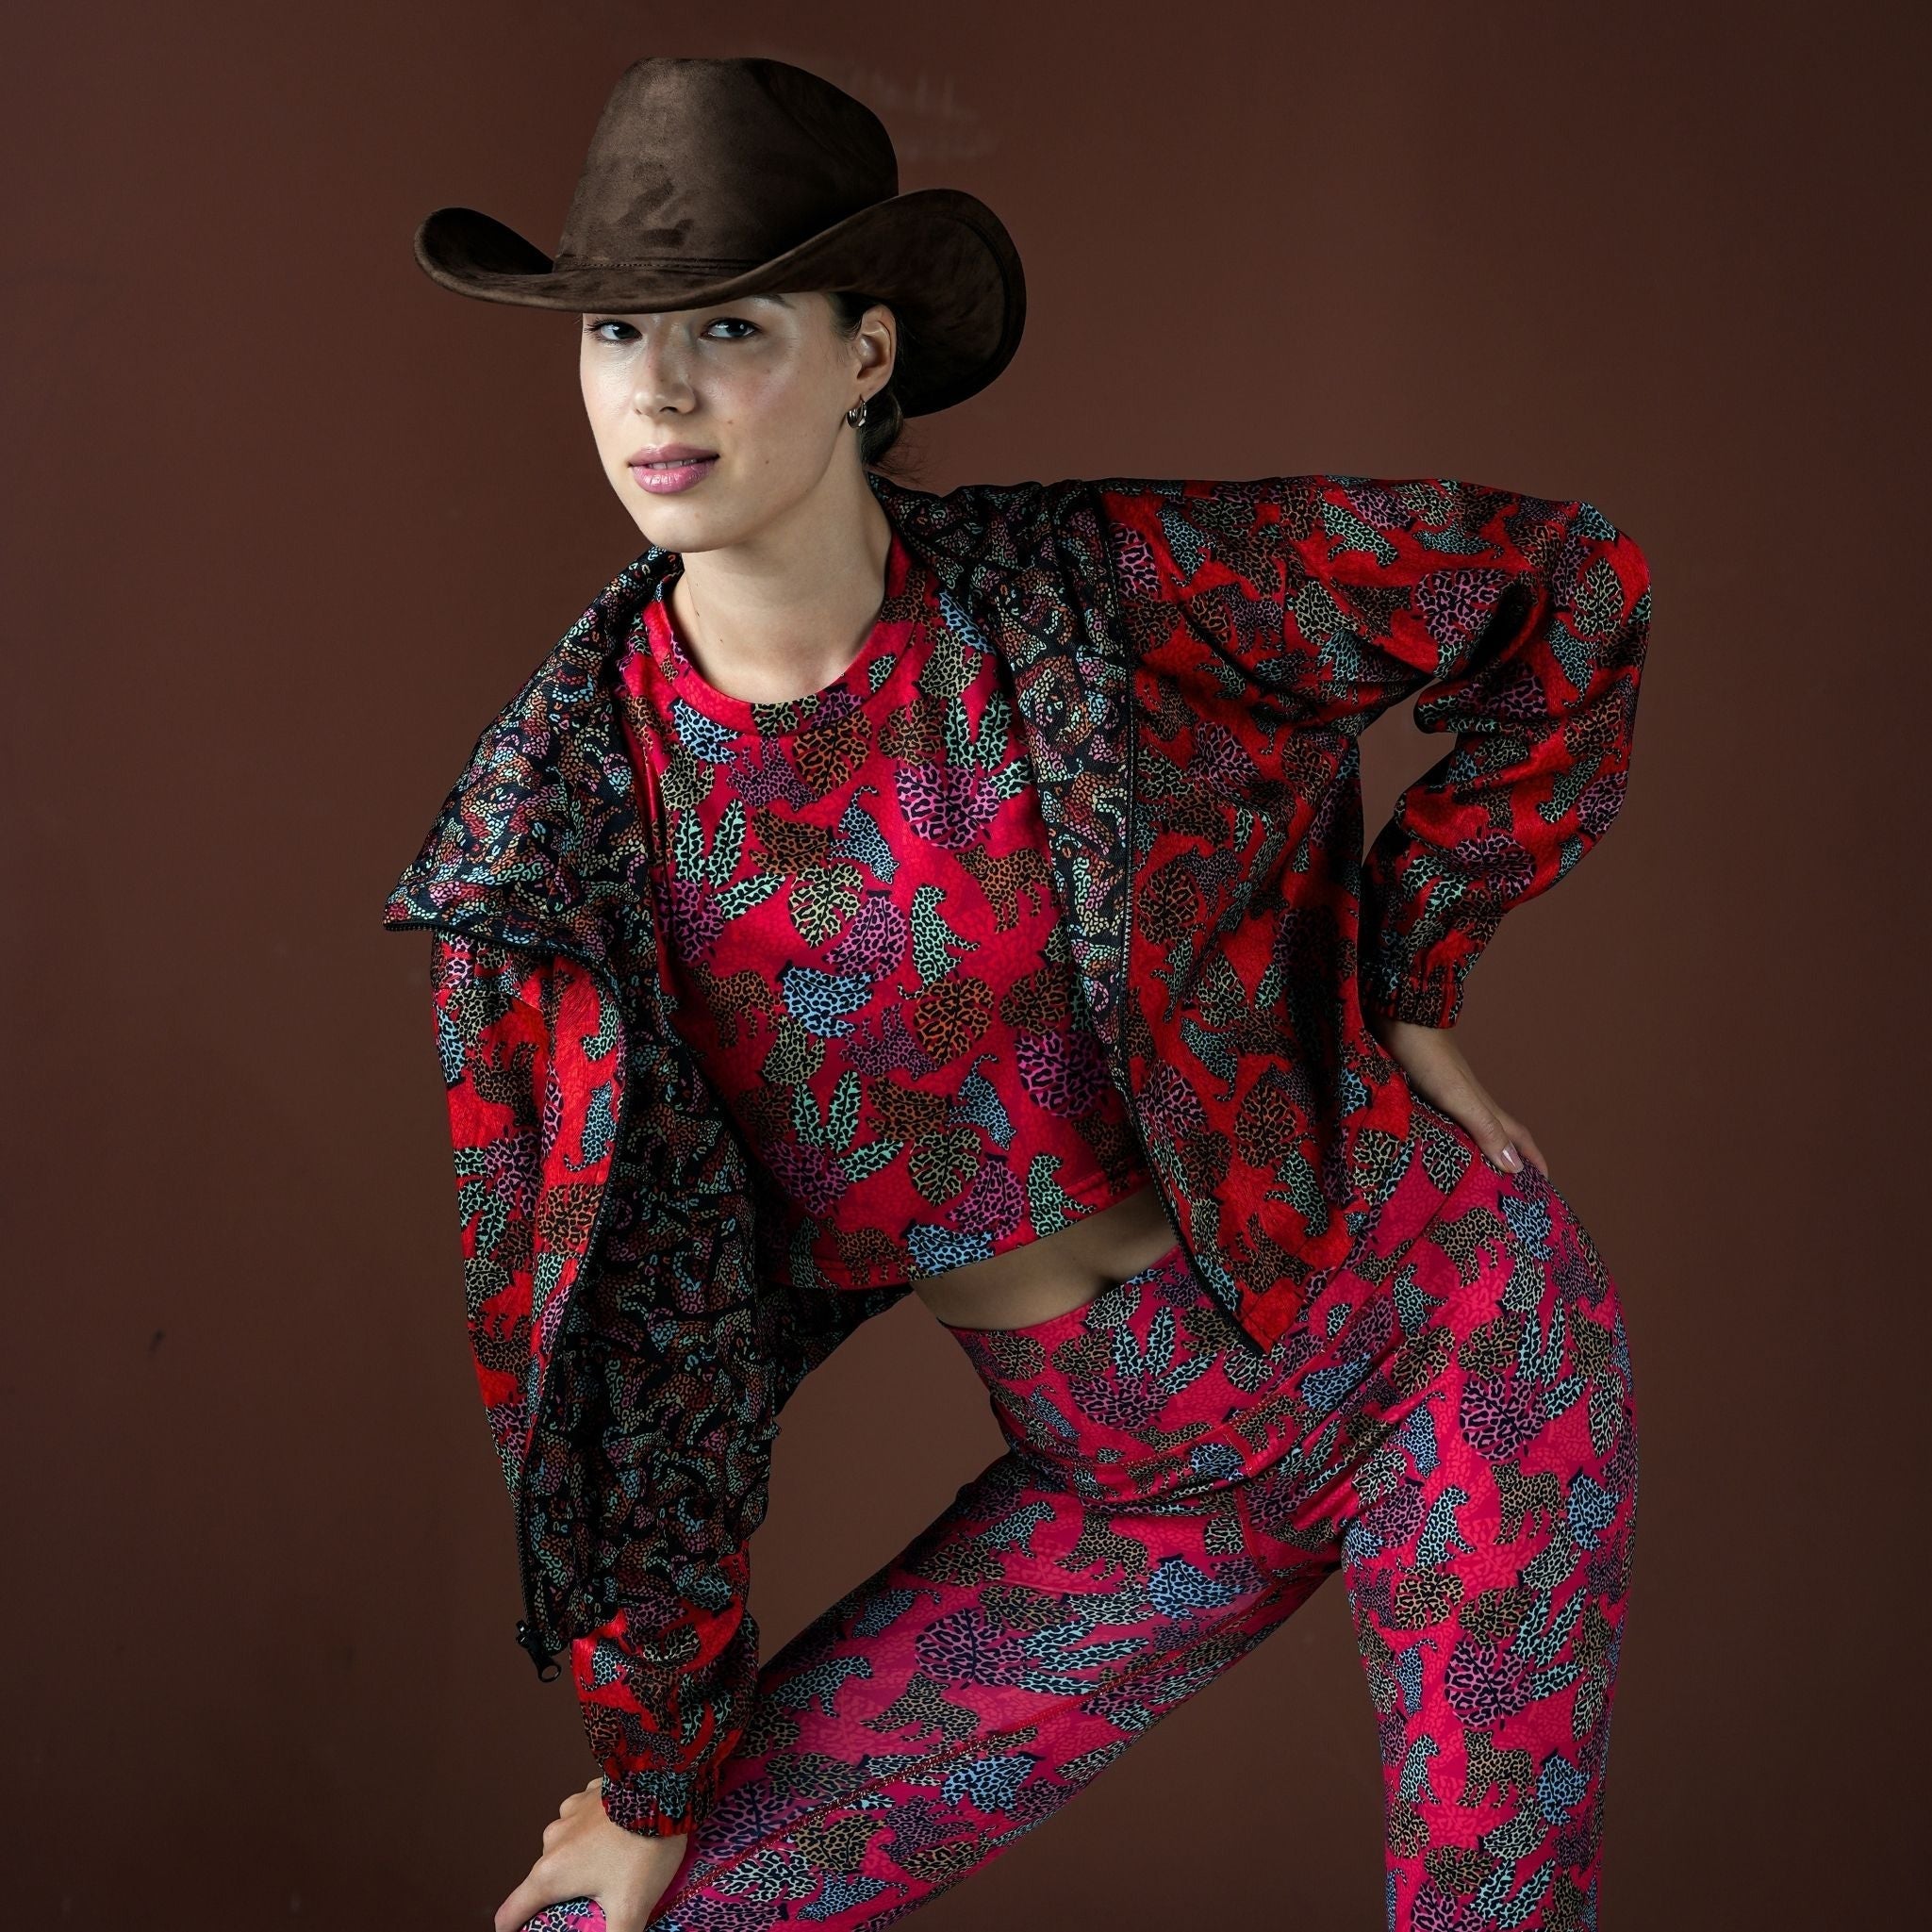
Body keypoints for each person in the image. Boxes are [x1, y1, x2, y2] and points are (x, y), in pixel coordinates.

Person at [382, 54, 1651, 1932]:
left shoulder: (1100, 595)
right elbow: (616, 1357)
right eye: (614, 334)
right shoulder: (550, 850)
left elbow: (1557, 584)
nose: (653, 390)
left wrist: (1408, 965)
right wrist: (658, 1768)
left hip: (1439, 1348)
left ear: (865, 352)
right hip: (1121, 1483)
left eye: (725, 326)